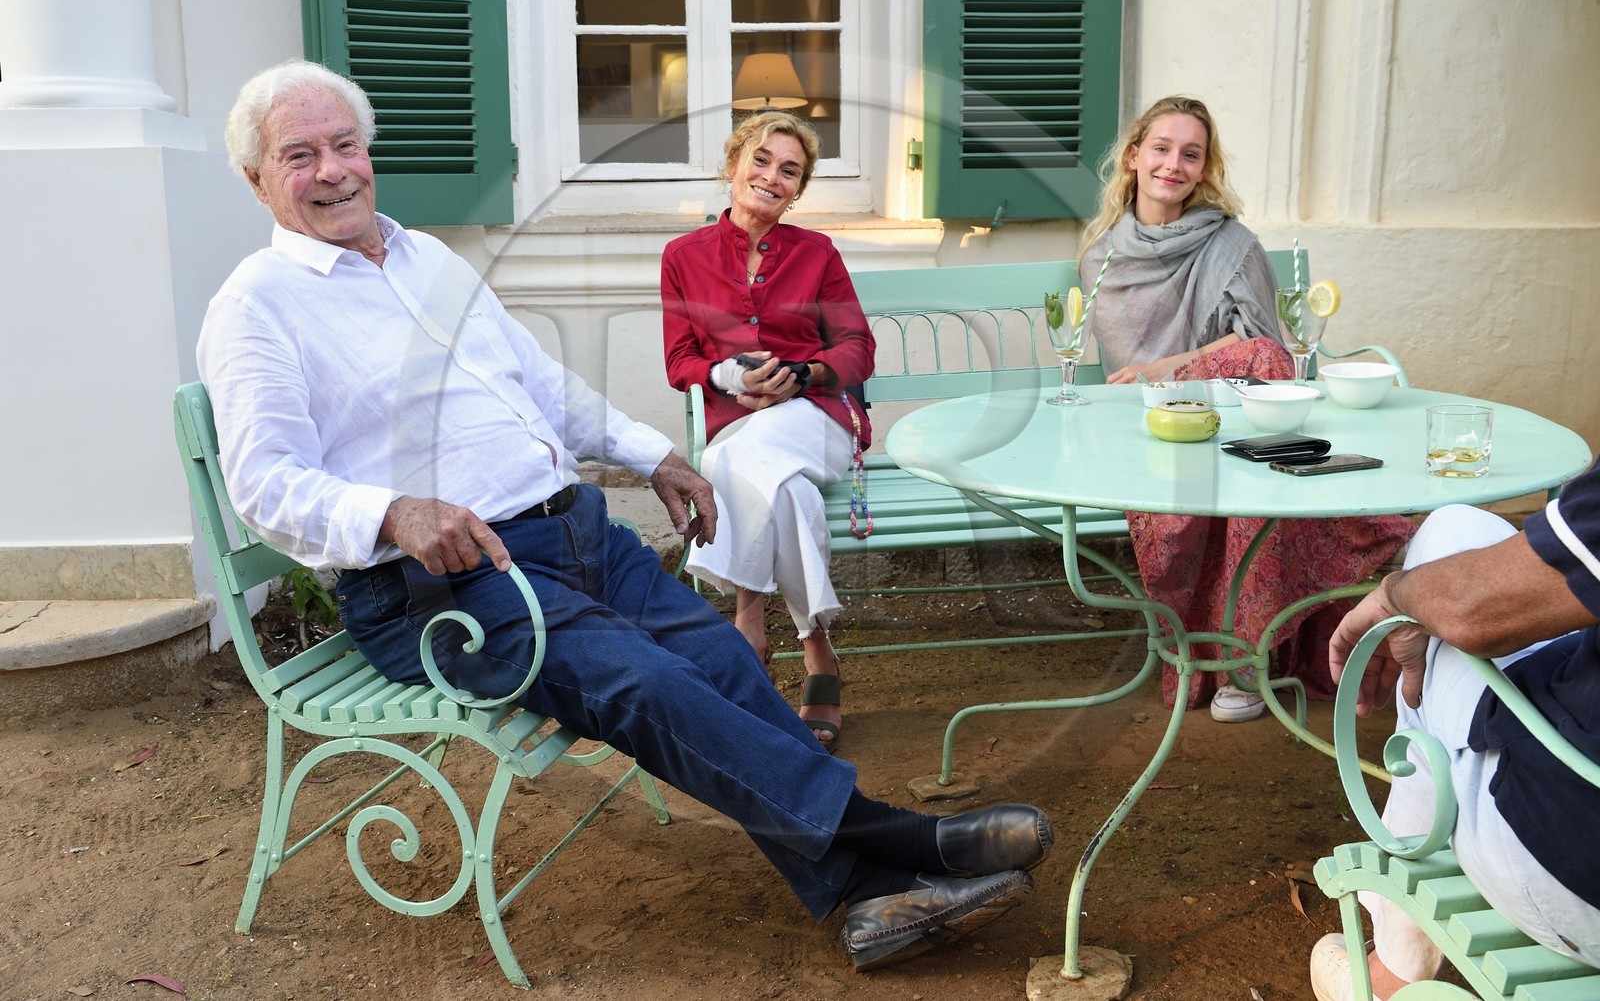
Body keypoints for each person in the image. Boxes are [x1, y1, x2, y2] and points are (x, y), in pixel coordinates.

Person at [196, 59, 1051, 972]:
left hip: (572, 534)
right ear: (257, 179)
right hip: (445, 587)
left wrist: (655, 453)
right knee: (650, 683)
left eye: (345, 145)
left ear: (369, 153)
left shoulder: (426, 258)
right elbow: (265, 482)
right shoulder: (257, 306)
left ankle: (859, 893)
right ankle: (903, 844)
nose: (332, 169)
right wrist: (392, 510)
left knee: (719, 655)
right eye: (300, 155)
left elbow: (541, 383)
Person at [1078, 96, 1414, 721]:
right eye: (1161, 148)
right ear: (1133, 156)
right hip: (1155, 425)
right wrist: (1165, 377)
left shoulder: (1233, 244)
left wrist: (1169, 366)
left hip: (1238, 415)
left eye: (1190, 154)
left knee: (1253, 421)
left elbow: (1267, 350)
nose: (1173, 164)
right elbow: (1124, 371)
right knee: (1242, 447)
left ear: (1205, 169)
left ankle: (1246, 663)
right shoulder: (1103, 255)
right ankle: (1239, 656)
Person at [1307, 461, 1600, 1000]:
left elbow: (1471, 611)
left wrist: (1394, 596)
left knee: (1445, 553)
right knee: (1460, 539)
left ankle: (1391, 970)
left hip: (1574, 875)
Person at [661, 110, 874, 752]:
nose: (771, 177)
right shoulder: (682, 257)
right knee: (786, 491)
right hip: (740, 427)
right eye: (760, 160)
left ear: (798, 190)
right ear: (733, 166)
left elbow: (858, 348)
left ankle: (745, 622)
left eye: (790, 171)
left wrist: (806, 376)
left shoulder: (817, 254)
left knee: (749, 455)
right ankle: (818, 649)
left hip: (820, 421)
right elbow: (679, 363)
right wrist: (725, 377)